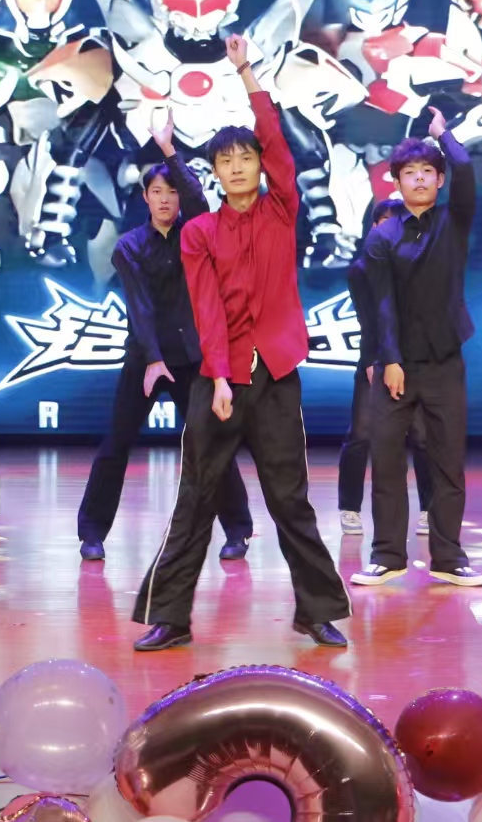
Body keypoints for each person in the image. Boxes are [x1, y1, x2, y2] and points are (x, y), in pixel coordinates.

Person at [131, 34, 352, 652]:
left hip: (276, 376)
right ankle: (170, 617)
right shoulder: (199, 232)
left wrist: (246, 71)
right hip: (220, 380)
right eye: (224, 160)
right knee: (195, 498)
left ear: (259, 165)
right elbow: (205, 307)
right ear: (214, 172)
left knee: (290, 498)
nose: (235, 167)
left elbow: (276, 138)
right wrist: (221, 376)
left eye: (245, 158)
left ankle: (316, 611)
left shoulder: (282, 211)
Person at [76, 109, 254, 563]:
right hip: (144, 359)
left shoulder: (196, 235)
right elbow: (140, 307)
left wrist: (170, 150)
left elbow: (199, 200)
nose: (165, 200)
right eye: (157, 192)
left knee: (209, 445)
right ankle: (92, 532)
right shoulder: (130, 246)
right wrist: (153, 359)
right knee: (116, 444)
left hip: (191, 358)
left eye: (171, 192)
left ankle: (237, 530)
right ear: (145, 197)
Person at [353, 109, 482, 588]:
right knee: (387, 460)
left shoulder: (454, 221)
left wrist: (442, 134)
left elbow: (465, 167)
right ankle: (387, 555)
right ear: (396, 182)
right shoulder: (381, 236)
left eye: (428, 171)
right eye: (409, 172)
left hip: (445, 362)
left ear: (439, 179)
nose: (419, 179)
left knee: (448, 462)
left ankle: (449, 558)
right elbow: (382, 304)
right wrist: (389, 360)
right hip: (397, 364)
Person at [337, 197, 436, 539]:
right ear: (373, 227)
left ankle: (429, 508)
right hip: (376, 357)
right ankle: (349, 507)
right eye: (384, 224)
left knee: (422, 436)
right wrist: (370, 361)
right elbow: (370, 321)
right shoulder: (361, 270)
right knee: (360, 433)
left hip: (416, 362)